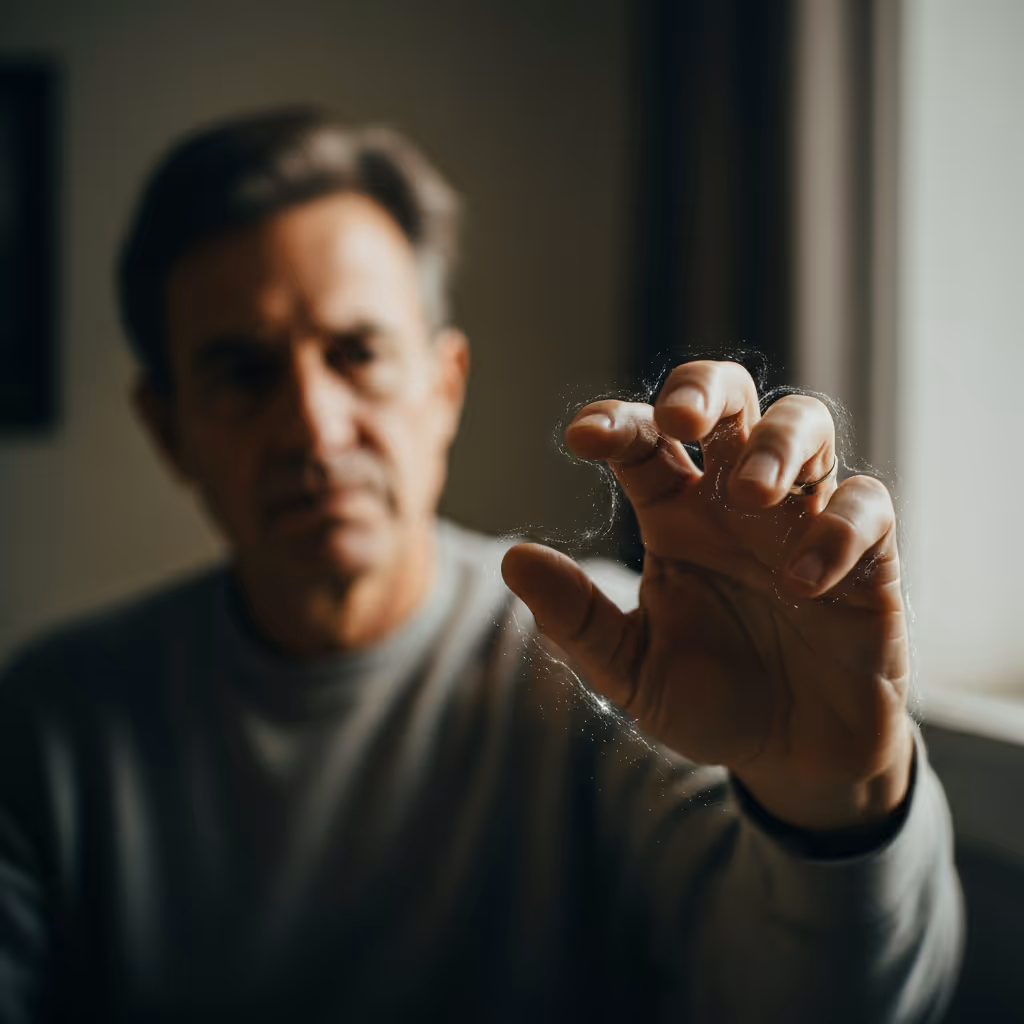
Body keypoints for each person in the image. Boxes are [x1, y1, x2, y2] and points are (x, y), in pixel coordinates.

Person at [0, 108, 961, 1023]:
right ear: (168, 430)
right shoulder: (51, 730)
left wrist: (835, 807)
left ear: (443, 387)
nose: (313, 425)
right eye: (242, 373)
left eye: (356, 352)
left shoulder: (624, 660)